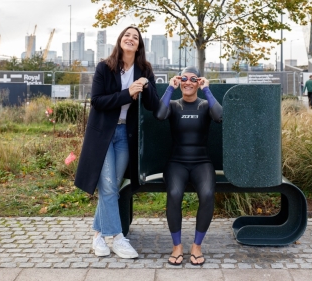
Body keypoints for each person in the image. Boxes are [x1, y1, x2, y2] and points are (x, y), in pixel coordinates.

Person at [74, 26, 159, 258]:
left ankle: (97, 236)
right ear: (120, 40)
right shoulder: (105, 67)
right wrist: (127, 93)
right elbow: (97, 101)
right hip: (103, 135)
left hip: (125, 136)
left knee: (111, 187)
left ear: (139, 45)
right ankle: (117, 238)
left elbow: (153, 105)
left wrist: (146, 85)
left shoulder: (145, 69)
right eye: (127, 35)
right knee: (110, 186)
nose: (131, 38)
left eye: (136, 37)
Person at [154, 66, 222, 266]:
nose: (188, 82)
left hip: (202, 162)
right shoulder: (174, 105)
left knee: (208, 195)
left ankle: (196, 246)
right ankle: (177, 247)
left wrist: (207, 90)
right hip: (177, 162)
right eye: (184, 78)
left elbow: (219, 116)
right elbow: (159, 115)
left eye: (194, 79)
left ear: (199, 82)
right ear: (179, 81)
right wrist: (169, 88)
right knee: (174, 194)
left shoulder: (204, 105)